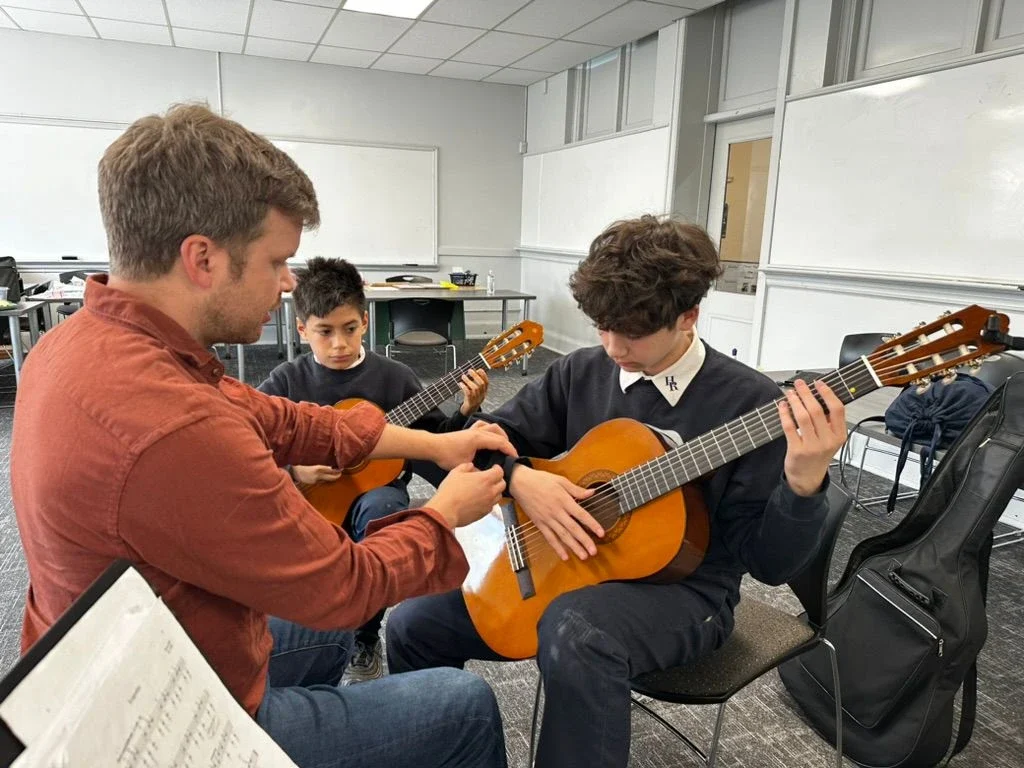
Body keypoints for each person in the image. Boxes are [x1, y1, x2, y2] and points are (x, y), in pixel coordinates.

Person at [11, 104, 513, 768]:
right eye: (277, 260)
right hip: (171, 723)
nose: (287, 283)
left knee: (325, 639)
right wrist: (445, 515)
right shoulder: (178, 428)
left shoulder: (87, 344)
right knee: (464, 706)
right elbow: (347, 584)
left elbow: (291, 422)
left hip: (127, 663)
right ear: (202, 259)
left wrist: (434, 446)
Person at [386, 215, 847, 768]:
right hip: (565, 562)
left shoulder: (751, 403)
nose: (611, 346)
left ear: (688, 316)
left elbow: (769, 565)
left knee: (578, 632)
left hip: (690, 593)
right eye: (601, 326)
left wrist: (803, 484)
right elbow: (482, 444)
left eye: (630, 332)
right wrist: (522, 480)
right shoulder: (581, 372)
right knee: (413, 622)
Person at [258, 256, 490, 684]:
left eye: (349, 329)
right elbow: (248, 451)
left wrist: (465, 410)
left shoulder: (394, 377)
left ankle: (365, 635)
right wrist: (296, 472)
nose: (339, 344)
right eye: (324, 332)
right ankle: (312, 640)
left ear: (365, 321)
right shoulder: (285, 382)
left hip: (376, 495)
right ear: (302, 329)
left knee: (383, 509)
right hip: (308, 499)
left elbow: (437, 442)